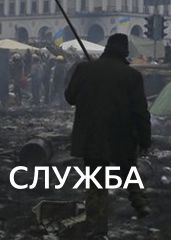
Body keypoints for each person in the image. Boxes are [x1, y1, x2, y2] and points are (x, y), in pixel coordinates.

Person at [65, 34, 151, 236]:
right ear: (125, 52)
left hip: (91, 135)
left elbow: (70, 98)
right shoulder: (132, 76)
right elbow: (140, 112)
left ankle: (97, 227)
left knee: (96, 183)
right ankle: (139, 202)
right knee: (129, 169)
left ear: (106, 48)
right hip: (121, 136)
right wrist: (145, 139)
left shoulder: (84, 69)